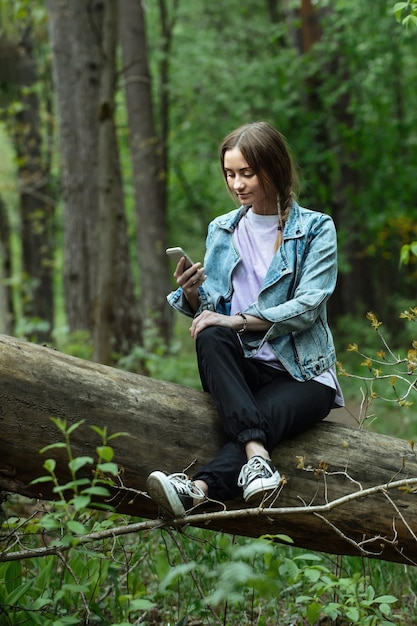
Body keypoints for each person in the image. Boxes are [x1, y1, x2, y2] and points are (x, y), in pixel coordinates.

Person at [146, 121, 344, 517]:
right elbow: (213, 307)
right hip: (245, 370)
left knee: (256, 408)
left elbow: (308, 305)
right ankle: (257, 456)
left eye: (247, 173)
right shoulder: (222, 229)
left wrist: (238, 320)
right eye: (230, 174)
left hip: (302, 375)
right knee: (208, 333)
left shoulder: (316, 228)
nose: (237, 184)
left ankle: (197, 489)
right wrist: (191, 294)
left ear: (274, 169)